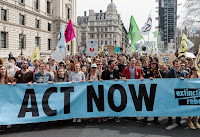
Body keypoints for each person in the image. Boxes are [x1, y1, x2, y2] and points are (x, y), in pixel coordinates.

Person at [121, 57, 144, 122]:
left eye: (134, 61)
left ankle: (134, 115)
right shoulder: (126, 69)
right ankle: (127, 115)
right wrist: (123, 78)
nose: (134, 62)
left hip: (135, 87)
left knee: (135, 101)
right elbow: (122, 76)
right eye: (132, 61)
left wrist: (141, 78)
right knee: (127, 101)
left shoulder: (138, 69)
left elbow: (140, 76)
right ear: (129, 62)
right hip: (127, 87)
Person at [142, 61, 164, 125]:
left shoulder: (159, 72)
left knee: (156, 104)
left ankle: (156, 118)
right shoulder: (147, 71)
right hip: (149, 89)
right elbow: (144, 78)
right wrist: (148, 78)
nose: (153, 65)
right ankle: (145, 117)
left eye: (154, 64)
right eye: (152, 64)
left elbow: (164, 80)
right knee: (148, 103)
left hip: (157, 90)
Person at [166, 59, 185, 126]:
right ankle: (170, 119)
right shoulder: (169, 72)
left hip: (178, 91)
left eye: (178, 64)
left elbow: (184, 81)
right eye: (176, 64)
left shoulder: (181, 72)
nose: (177, 65)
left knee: (178, 106)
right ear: (173, 65)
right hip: (171, 91)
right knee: (170, 106)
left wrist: (182, 79)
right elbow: (166, 81)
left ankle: (178, 120)